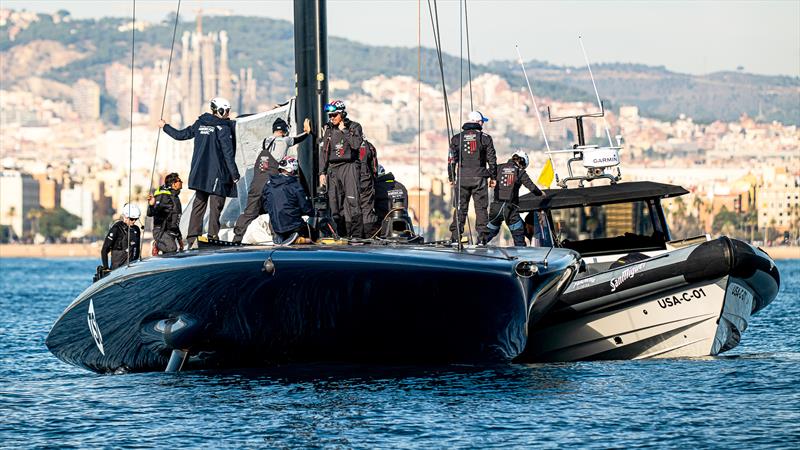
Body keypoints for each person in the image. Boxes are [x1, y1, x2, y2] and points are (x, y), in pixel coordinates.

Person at [159, 97, 240, 247]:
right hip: (218, 174)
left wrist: (165, 127)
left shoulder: (200, 123)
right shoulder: (223, 128)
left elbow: (181, 135)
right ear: (220, 111)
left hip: (200, 174)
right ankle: (212, 236)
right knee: (216, 206)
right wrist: (234, 175)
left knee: (199, 204)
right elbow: (228, 153)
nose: (229, 114)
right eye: (227, 111)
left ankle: (192, 237)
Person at [232, 117, 311, 243]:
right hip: (272, 184)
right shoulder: (284, 140)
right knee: (276, 209)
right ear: (284, 130)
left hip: (256, 184)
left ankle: (237, 238)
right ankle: (279, 237)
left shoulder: (263, 142)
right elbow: (297, 139)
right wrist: (307, 133)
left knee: (249, 213)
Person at [448, 110, 497, 245]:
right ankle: (482, 239)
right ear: (477, 122)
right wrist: (493, 177)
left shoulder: (456, 138)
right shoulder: (485, 138)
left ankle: (455, 238)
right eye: (482, 121)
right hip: (480, 178)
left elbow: (451, 159)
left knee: (460, 208)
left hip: (462, 178)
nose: (483, 123)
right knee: (481, 209)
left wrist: (451, 177)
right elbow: (492, 160)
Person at [318, 99, 365, 237]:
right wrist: (322, 172)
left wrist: (344, 130)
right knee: (334, 204)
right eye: (330, 115)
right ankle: (342, 234)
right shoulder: (328, 129)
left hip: (348, 167)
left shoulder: (354, 127)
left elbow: (356, 145)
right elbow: (324, 152)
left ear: (342, 114)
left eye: (334, 115)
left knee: (353, 202)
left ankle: (356, 235)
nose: (332, 118)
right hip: (333, 169)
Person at [485, 151, 545, 246]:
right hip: (510, 210)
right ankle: (521, 258)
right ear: (522, 162)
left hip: (495, 208)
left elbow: (483, 174)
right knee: (518, 235)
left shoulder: (498, 167)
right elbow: (531, 187)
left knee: (489, 232)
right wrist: (541, 194)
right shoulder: (520, 172)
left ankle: (476, 246)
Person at [262, 156, 314, 244]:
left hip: (276, 226)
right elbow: (305, 208)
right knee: (313, 231)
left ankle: (281, 238)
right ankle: (299, 240)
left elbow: (266, 206)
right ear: (293, 169)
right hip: (293, 225)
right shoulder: (295, 185)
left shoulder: (269, 185)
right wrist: (313, 213)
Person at [147, 172, 183, 254]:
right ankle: (156, 245)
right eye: (179, 180)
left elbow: (176, 220)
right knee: (172, 249)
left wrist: (179, 239)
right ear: (174, 184)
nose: (181, 182)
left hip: (171, 233)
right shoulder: (164, 196)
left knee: (169, 255)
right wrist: (152, 205)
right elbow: (150, 213)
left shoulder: (175, 198)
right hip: (161, 232)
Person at [101, 204, 142, 270]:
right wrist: (106, 267)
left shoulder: (136, 230)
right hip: (117, 269)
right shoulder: (116, 228)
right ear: (125, 217)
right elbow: (104, 249)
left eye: (136, 219)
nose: (134, 221)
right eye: (132, 219)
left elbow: (137, 249)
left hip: (132, 268)